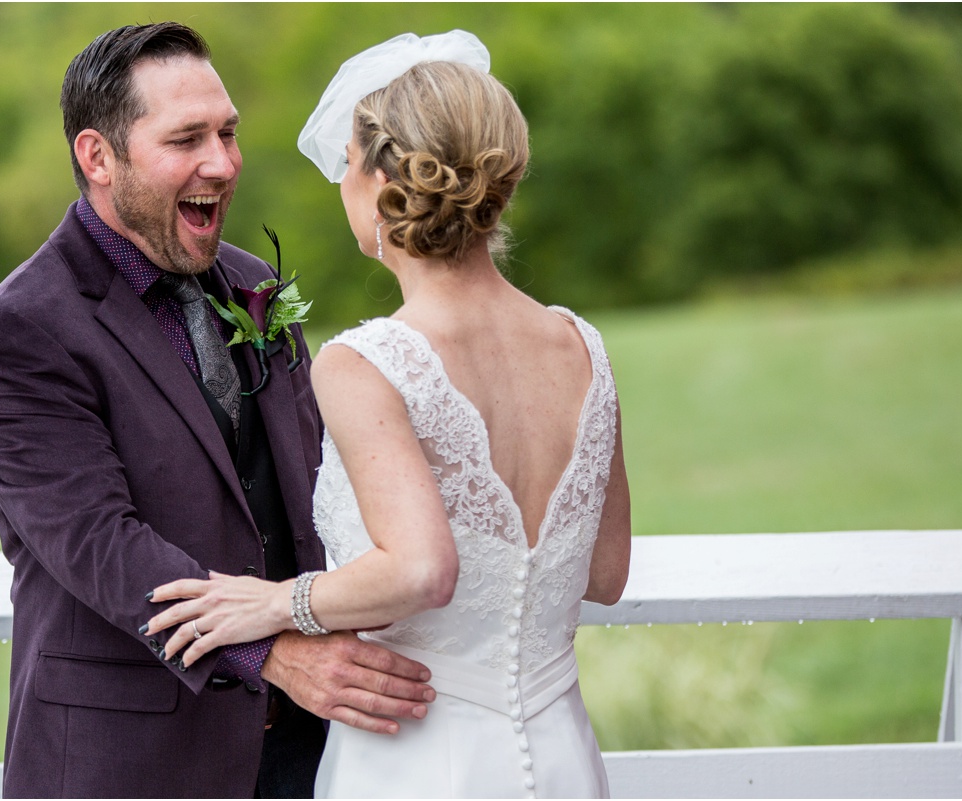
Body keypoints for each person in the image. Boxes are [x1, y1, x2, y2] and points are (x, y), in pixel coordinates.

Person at [146, 30, 632, 798]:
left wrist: (275, 603)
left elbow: (420, 568)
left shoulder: (370, 361)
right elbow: (605, 573)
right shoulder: (581, 345)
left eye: (345, 161)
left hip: (419, 753)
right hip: (562, 746)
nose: (341, 181)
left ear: (378, 178)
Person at [0, 21, 436, 798]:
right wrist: (275, 653)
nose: (222, 162)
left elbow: (312, 490)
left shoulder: (254, 283)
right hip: (131, 761)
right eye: (187, 138)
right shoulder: (19, 330)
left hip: (307, 753)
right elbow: (100, 545)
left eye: (228, 132)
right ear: (98, 157)